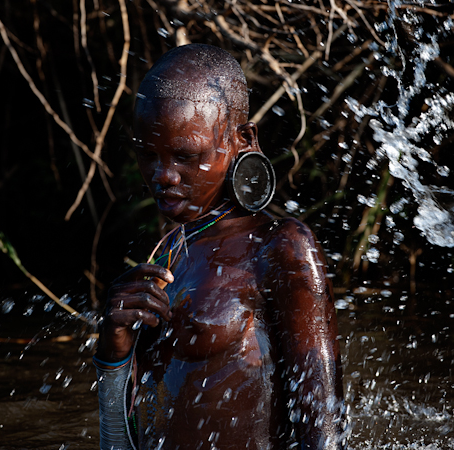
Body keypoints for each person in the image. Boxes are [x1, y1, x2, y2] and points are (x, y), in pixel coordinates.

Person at [93, 44, 345, 450]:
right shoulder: (167, 254)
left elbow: (325, 431)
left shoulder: (280, 248)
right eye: (147, 155)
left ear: (241, 139)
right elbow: (117, 443)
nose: (162, 176)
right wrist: (114, 351)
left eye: (185, 156)